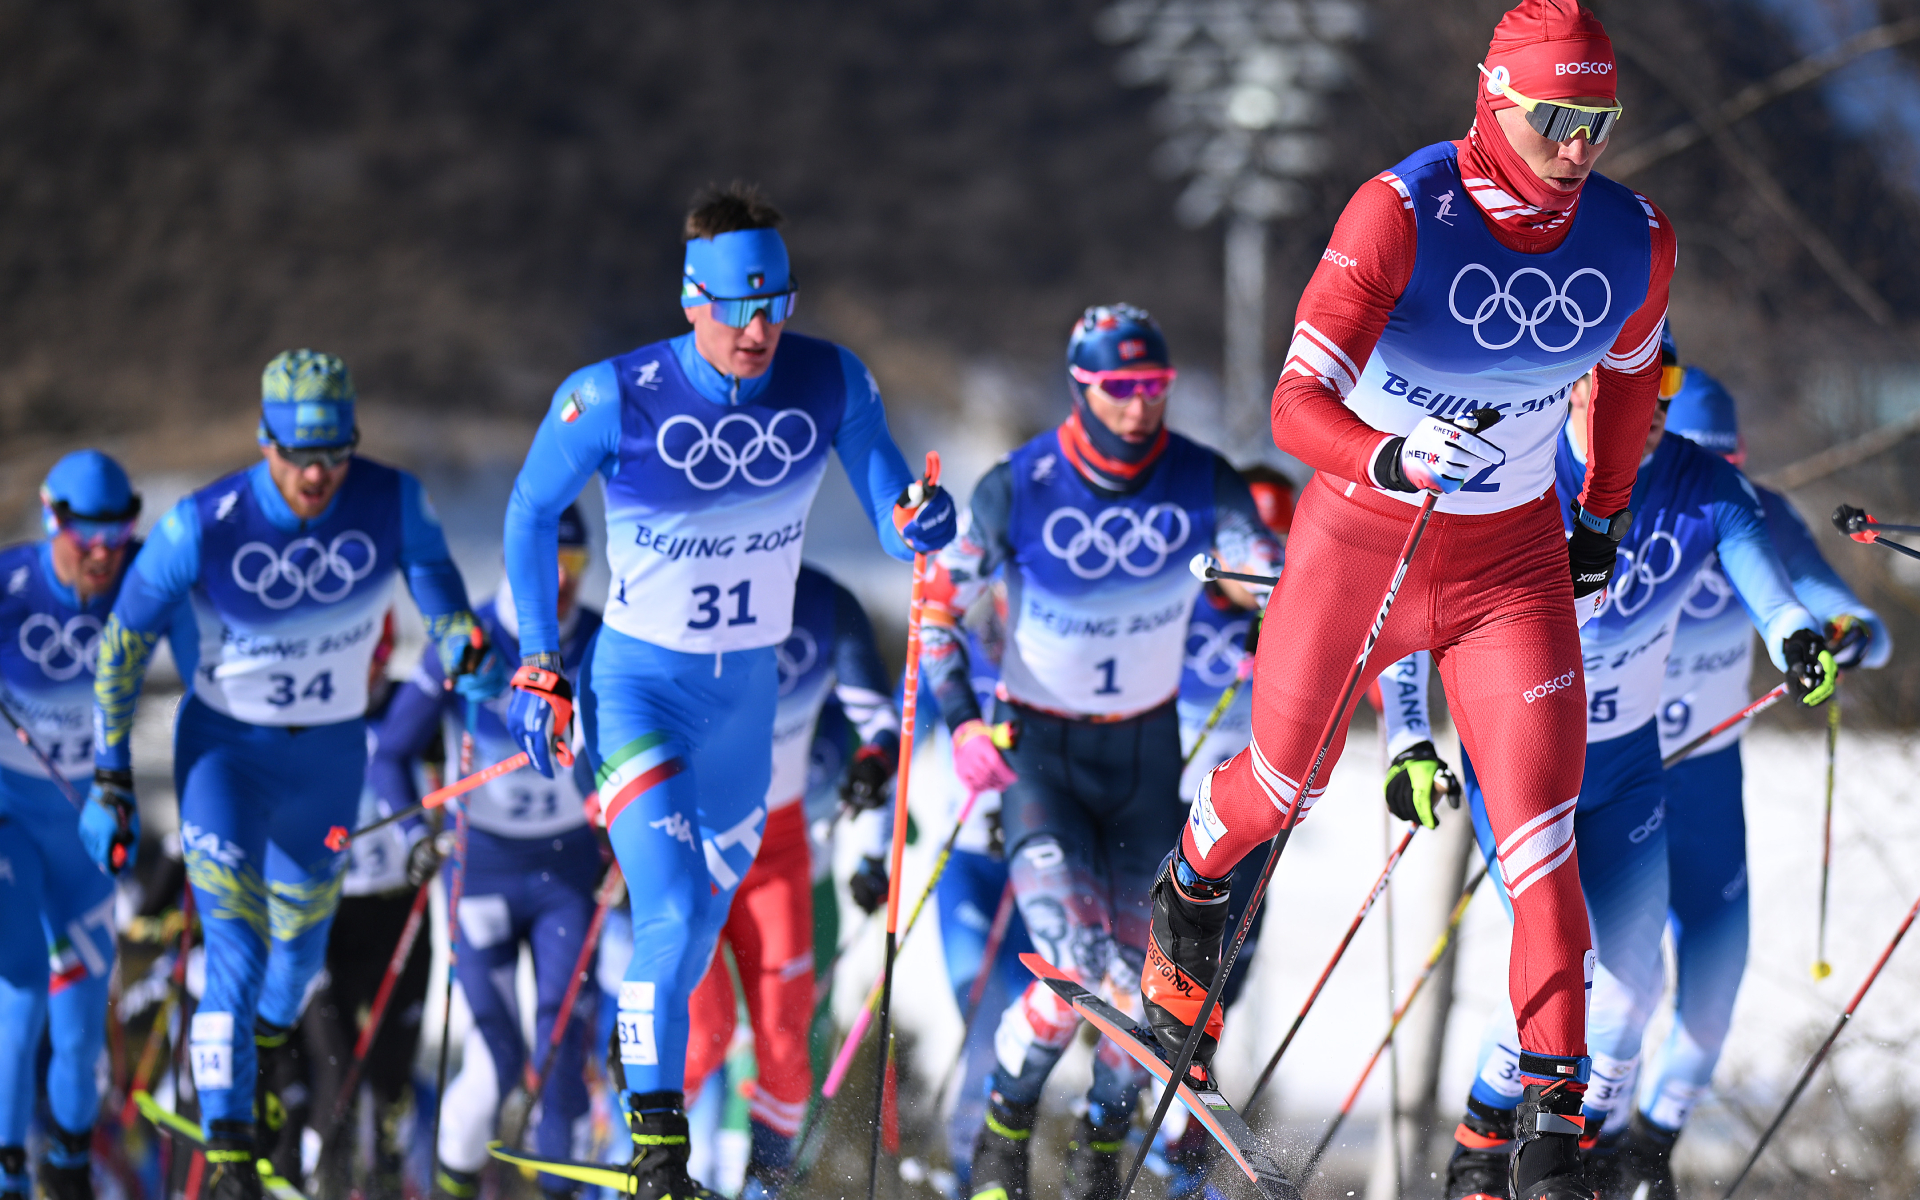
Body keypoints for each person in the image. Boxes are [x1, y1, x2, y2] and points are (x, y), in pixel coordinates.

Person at [1137, 4, 1687, 1196]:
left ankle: (1549, 1124)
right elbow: (1295, 404)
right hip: (1363, 548)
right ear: (1497, 99)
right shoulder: (1400, 211)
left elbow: (1632, 384)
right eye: (1558, 118)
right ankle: (1188, 888)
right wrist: (1383, 455)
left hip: (1510, 567)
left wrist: (1602, 513)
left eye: (1599, 121)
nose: (1580, 144)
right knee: (1284, 784)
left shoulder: (1633, 240)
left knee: (1545, 840)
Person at [499, 183, 955, 1200]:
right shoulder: (613, 395)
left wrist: (918, 518)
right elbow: (532, 510)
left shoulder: (831, 379)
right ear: (692, 298)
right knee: (665, 919)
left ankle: (661, 1092)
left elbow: (889, 501)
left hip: (747, 708)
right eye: (742, 307)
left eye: (778, 304)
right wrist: (538, 658)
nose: (761, 329)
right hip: (638, 690)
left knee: (701, 927)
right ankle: (657, 1152)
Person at [86, 350, 501, 1200]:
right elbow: (121, 650)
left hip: (327, 763)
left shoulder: (392, 499)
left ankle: (260, 1058)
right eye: (298, 456)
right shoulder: (202, 524)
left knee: (295, 964)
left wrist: (463, 641)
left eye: (334, 454)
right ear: (263, 442)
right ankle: (232, 1147)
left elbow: (441, 592)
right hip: (226, 762)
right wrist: (110, 776)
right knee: (233, 950)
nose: (317, 475)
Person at [1425, 362, 1835, 1200]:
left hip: (1623, 766)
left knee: (1631, 993)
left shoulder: (1697, 480)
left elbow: (1763, 568)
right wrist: (1405, 742)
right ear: (1577, 388)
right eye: (1624, 395)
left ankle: (1580, 1159)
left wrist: (1796, 631)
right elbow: (1412, 600)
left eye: (1659, 398)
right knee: (1568, 971)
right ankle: (1480, 1142)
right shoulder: (1522, 466)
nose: (1645, 415)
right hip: (1524, 761)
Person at [919, 303, 1280, 1200]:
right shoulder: (1020, 484)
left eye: (1153, 387)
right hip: (1043, 756)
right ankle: (1006, 1123)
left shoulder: (1200, 478)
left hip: (1146, 762)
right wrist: (963, 718)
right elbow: (937, 611)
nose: (1139, 406)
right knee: (1075, 964)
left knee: (1150, 997)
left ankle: (1099, 1151)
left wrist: (1294, 613)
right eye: (1120, 389)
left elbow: (1274, 573)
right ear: (1082, 386)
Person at [1596, 365, 1891, 1196]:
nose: (1717, 470)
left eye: (1732, 457)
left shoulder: (1751, 511)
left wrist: (1841, 636)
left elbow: (1850, 618)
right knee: (1625, 990)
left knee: (1713, 997)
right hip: (1620, 777)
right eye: (1703, 452)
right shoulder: (1618, 501)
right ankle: (1597, 1145)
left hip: (1706, 788)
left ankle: (1649, 1153)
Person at [356, 505, 604, 1200]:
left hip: (568, 875)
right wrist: (416, 835)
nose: (559, 586)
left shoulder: (601, 644)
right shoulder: (468, 640)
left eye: (575, 569)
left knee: (561, 1055)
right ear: (514, 566)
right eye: (545, 567)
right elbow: (390, 758)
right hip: (483, 874)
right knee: (495, 1062)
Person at [681, 563, 900, 1195]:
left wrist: (875, 763)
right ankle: (644, 1158)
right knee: (704, 1032)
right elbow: (619, 688)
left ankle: (766, 1181)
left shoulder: (828, 603)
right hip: (690, 843)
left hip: (779, 849)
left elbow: (883, 722)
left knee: (784, 1041)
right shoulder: (686, 582)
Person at [0, 452, 180, 1200]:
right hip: (9, 823)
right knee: (21, 994)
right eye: (87, 537)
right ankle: (7, 1168)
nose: (104, 552)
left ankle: (69, 1167)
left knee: (79, 1027)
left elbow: (207, 673)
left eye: (119, 533)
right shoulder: (10, 588)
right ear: (52, 518)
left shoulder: (145, 579)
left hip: (85, 831)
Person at [295, 612, 437, 1200]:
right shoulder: (307, 704)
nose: (367, 675)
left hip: (397, 910)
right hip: (326, 916)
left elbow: (455, 767)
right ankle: (325, 1181)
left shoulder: (410, 703)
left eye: (377, 660)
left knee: (392, 1072)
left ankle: (385, 1180)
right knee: (332, 1071)